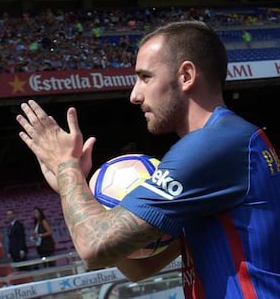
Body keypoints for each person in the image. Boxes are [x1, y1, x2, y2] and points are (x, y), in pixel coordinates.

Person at [16, 21, 280, 298]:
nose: (134, 95)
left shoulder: (212, 146)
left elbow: (94, 247)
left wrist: (66, 166)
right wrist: (73, 186)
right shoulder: (228, 145)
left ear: (186, 75)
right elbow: (140, 268)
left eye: (145, 77)